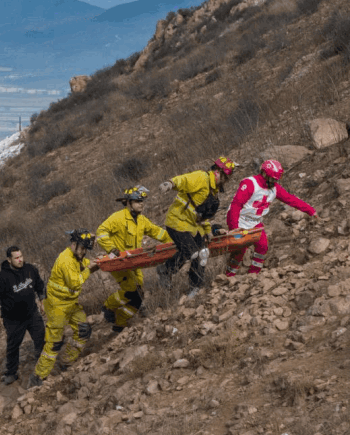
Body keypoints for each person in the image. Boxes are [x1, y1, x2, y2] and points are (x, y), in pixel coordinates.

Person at [157, 157, 237, 299]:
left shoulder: (213, 191)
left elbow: (202, 215)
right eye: (226, 177)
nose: (227, 180)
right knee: (193, 253)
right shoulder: (202, 178)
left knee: (203, 254)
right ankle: (165, 270)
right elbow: (185, 180)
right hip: (177, 221)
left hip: (192, 225)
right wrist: (170, 183)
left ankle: (195, 288)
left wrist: (208, 231)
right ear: (218, 172)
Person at [224, 159, 317, 277]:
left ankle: (253, 275)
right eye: (272, 179)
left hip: (254, 221)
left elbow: (290, 199)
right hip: (239, 218)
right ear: (264, 174)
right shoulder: (250, 184)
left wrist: (310, 211)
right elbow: (236, 205)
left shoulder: (274, 189)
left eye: (276, 179)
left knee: (262, 246)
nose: (274, 182)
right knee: (240, 248)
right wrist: (234, 228)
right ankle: (228, 276)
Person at [97, 186, 170, 331]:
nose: (141, 204)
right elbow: (101, 232)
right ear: (128, 203)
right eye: (137, 201)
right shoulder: (118, 218)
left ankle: (120, 323)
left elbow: (157, 232)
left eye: (142, 201)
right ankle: (108, 307)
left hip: (133, 262)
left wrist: (174, 240)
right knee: (131, 290)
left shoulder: (141, 220)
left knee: (139, 295)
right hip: (119, 262)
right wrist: (111, 248)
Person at [31, 230, 95, 385]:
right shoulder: (65, 260)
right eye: (82, 248)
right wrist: (91, 269)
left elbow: (82, 264)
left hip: (70, 303)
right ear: (73, 245)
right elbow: (75, 281)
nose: (84, 252)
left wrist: (96, 262)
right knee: (54, 341)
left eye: (85, 249)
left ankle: (66, 360)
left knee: (83, 330)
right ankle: (38, 377)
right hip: (57, 305)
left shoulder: (76, 256)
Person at [0, 245, 46, 384]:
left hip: (31, 313)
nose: (20, 260)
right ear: (9, 260)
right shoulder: (3, 277)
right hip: (13, 319)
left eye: (21, 256)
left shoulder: (30, 269)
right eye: (16, 258)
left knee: (41, 337)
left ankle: (42, 364)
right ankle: (11, 372)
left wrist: (43, 301)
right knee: (13, 346)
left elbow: (39, 285)